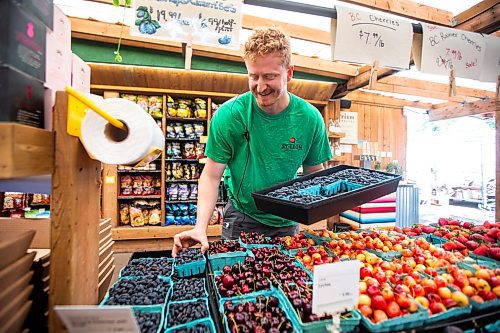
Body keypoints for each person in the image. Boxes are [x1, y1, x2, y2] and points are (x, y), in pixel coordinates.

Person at [172, 27, 332, 256]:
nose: (260, 86)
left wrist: (319, 226)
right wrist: (200, 227)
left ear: (289, 73)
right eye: (253, 76)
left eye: (269, 76)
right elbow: (211, 175)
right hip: (242, 218)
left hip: (288, 222)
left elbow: (314, 175)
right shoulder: (229, 115)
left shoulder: (310, 119)